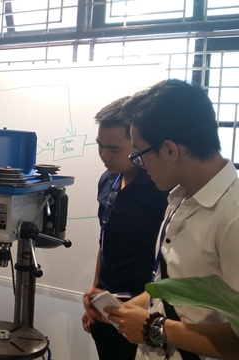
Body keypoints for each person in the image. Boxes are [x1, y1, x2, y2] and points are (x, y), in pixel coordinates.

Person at [105, 79, 239, 360]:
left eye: (140, 154)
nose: (140, 165)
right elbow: (177, 287)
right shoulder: (179, 198)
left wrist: (153, 328)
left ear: (170, 150)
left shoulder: (232, 216)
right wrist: (130, 308)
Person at [82, 97, 169, 359]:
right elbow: (104, 241)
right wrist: (94, 299)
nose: (104, 155)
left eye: (114, 149)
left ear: (138, 144)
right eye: (99, 146)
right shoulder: (108, 180)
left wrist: (132, 310)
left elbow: (169, 263)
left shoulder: (160, 189)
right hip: (106, 308)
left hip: (142, 313)